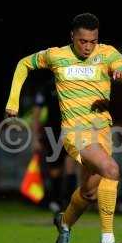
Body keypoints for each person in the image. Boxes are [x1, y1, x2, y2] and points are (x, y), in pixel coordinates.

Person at [4, 13, 122, 243]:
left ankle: (65, 223)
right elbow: (24, 64)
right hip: (75, 132)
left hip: (102, 131)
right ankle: (107, 240)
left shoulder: (109, 54)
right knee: (111, 168)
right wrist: (13, 101)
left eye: (93, 41)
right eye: (82, 41)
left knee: (90, 193)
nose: (88, 46)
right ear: (72, 37)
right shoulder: (56, 56)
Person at [32, 78, 78, 212]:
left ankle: (71, 205)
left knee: (71, 167)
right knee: (55, 171)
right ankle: (56, 201)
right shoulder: (48, 87)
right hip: (52, 132)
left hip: (71, 130)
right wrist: (35, 138)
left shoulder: (74, 84)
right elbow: (36, 114)